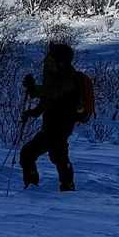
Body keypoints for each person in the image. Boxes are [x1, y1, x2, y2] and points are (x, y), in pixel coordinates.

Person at [20, 41, 86, 192]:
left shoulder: (67, 77)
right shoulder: (58, 76)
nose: (48, 61)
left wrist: (33, 89)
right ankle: (66, 188)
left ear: (60, 60)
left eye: (51, 58)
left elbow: (52, 92)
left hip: (59, 125)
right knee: (57, 155)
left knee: (31, 153)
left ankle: (34, 188)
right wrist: (33, 112)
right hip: (56, 125)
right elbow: (48, 99)